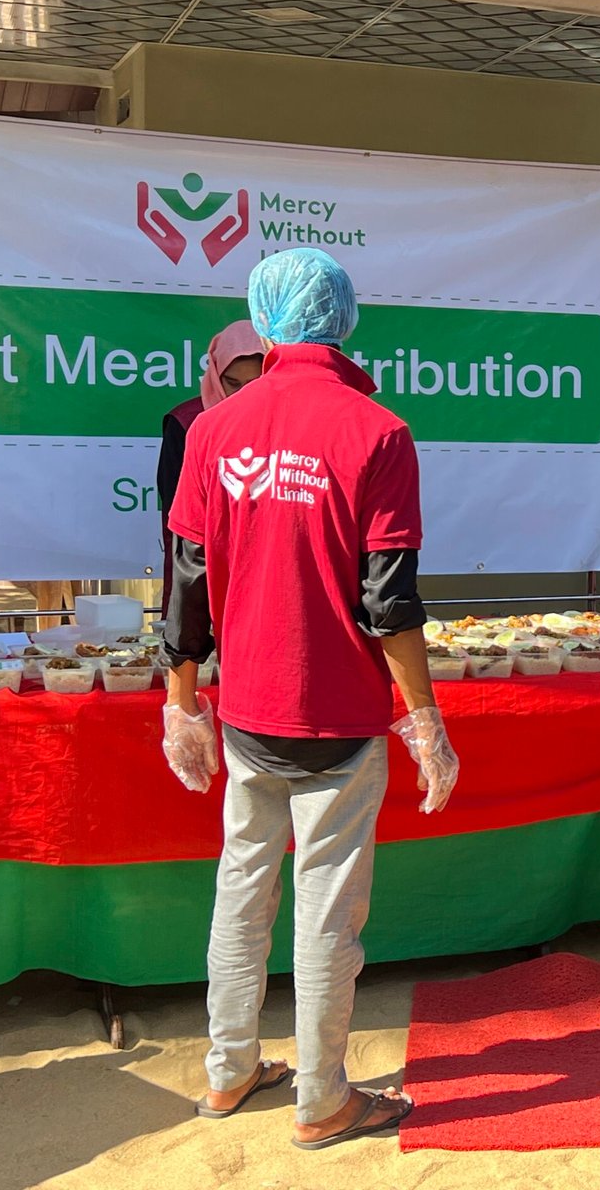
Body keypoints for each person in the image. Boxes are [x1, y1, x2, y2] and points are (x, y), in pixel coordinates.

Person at [160, 248, 460, 1150]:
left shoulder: (215, 428)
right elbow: (390, 600)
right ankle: (323, 1098)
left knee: (242, 888)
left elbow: (185, 578)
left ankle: (228, 1070)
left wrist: (181, 700)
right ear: (343, 319)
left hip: (248, 711)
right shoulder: (379, 432)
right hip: (338, 715)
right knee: (326, 910)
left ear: (264, 319)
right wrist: (425, 718)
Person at [157, 321, 265, 613]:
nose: (241, 396)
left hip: (267, 575)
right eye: (232, 383)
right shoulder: (187, 423)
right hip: (203, 576)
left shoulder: (284, 422)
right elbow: (178, 524)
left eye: (254, 384)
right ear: (216, 376)